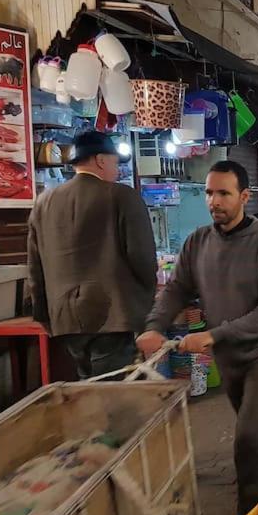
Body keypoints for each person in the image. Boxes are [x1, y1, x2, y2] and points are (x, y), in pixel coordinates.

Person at [138, 160, 258, 515]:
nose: (214, 201)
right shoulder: (197, 243)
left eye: (224, 193)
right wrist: (154, 325)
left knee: (246, 435)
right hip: (227, 355)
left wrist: (212, 335)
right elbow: (176, 290)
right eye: (209, 192)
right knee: (255, 427)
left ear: (245, 196)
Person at [27, 130, 156, 379]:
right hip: (113, 316)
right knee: (113, 396)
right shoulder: (121, 196)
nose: (116, 171)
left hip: (64, 318)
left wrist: (44, 314)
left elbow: (35, 265)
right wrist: (147, 307)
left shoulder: (43, 202)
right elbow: (142, 258)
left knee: (89, 386)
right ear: (100, 160)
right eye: (115, 163)